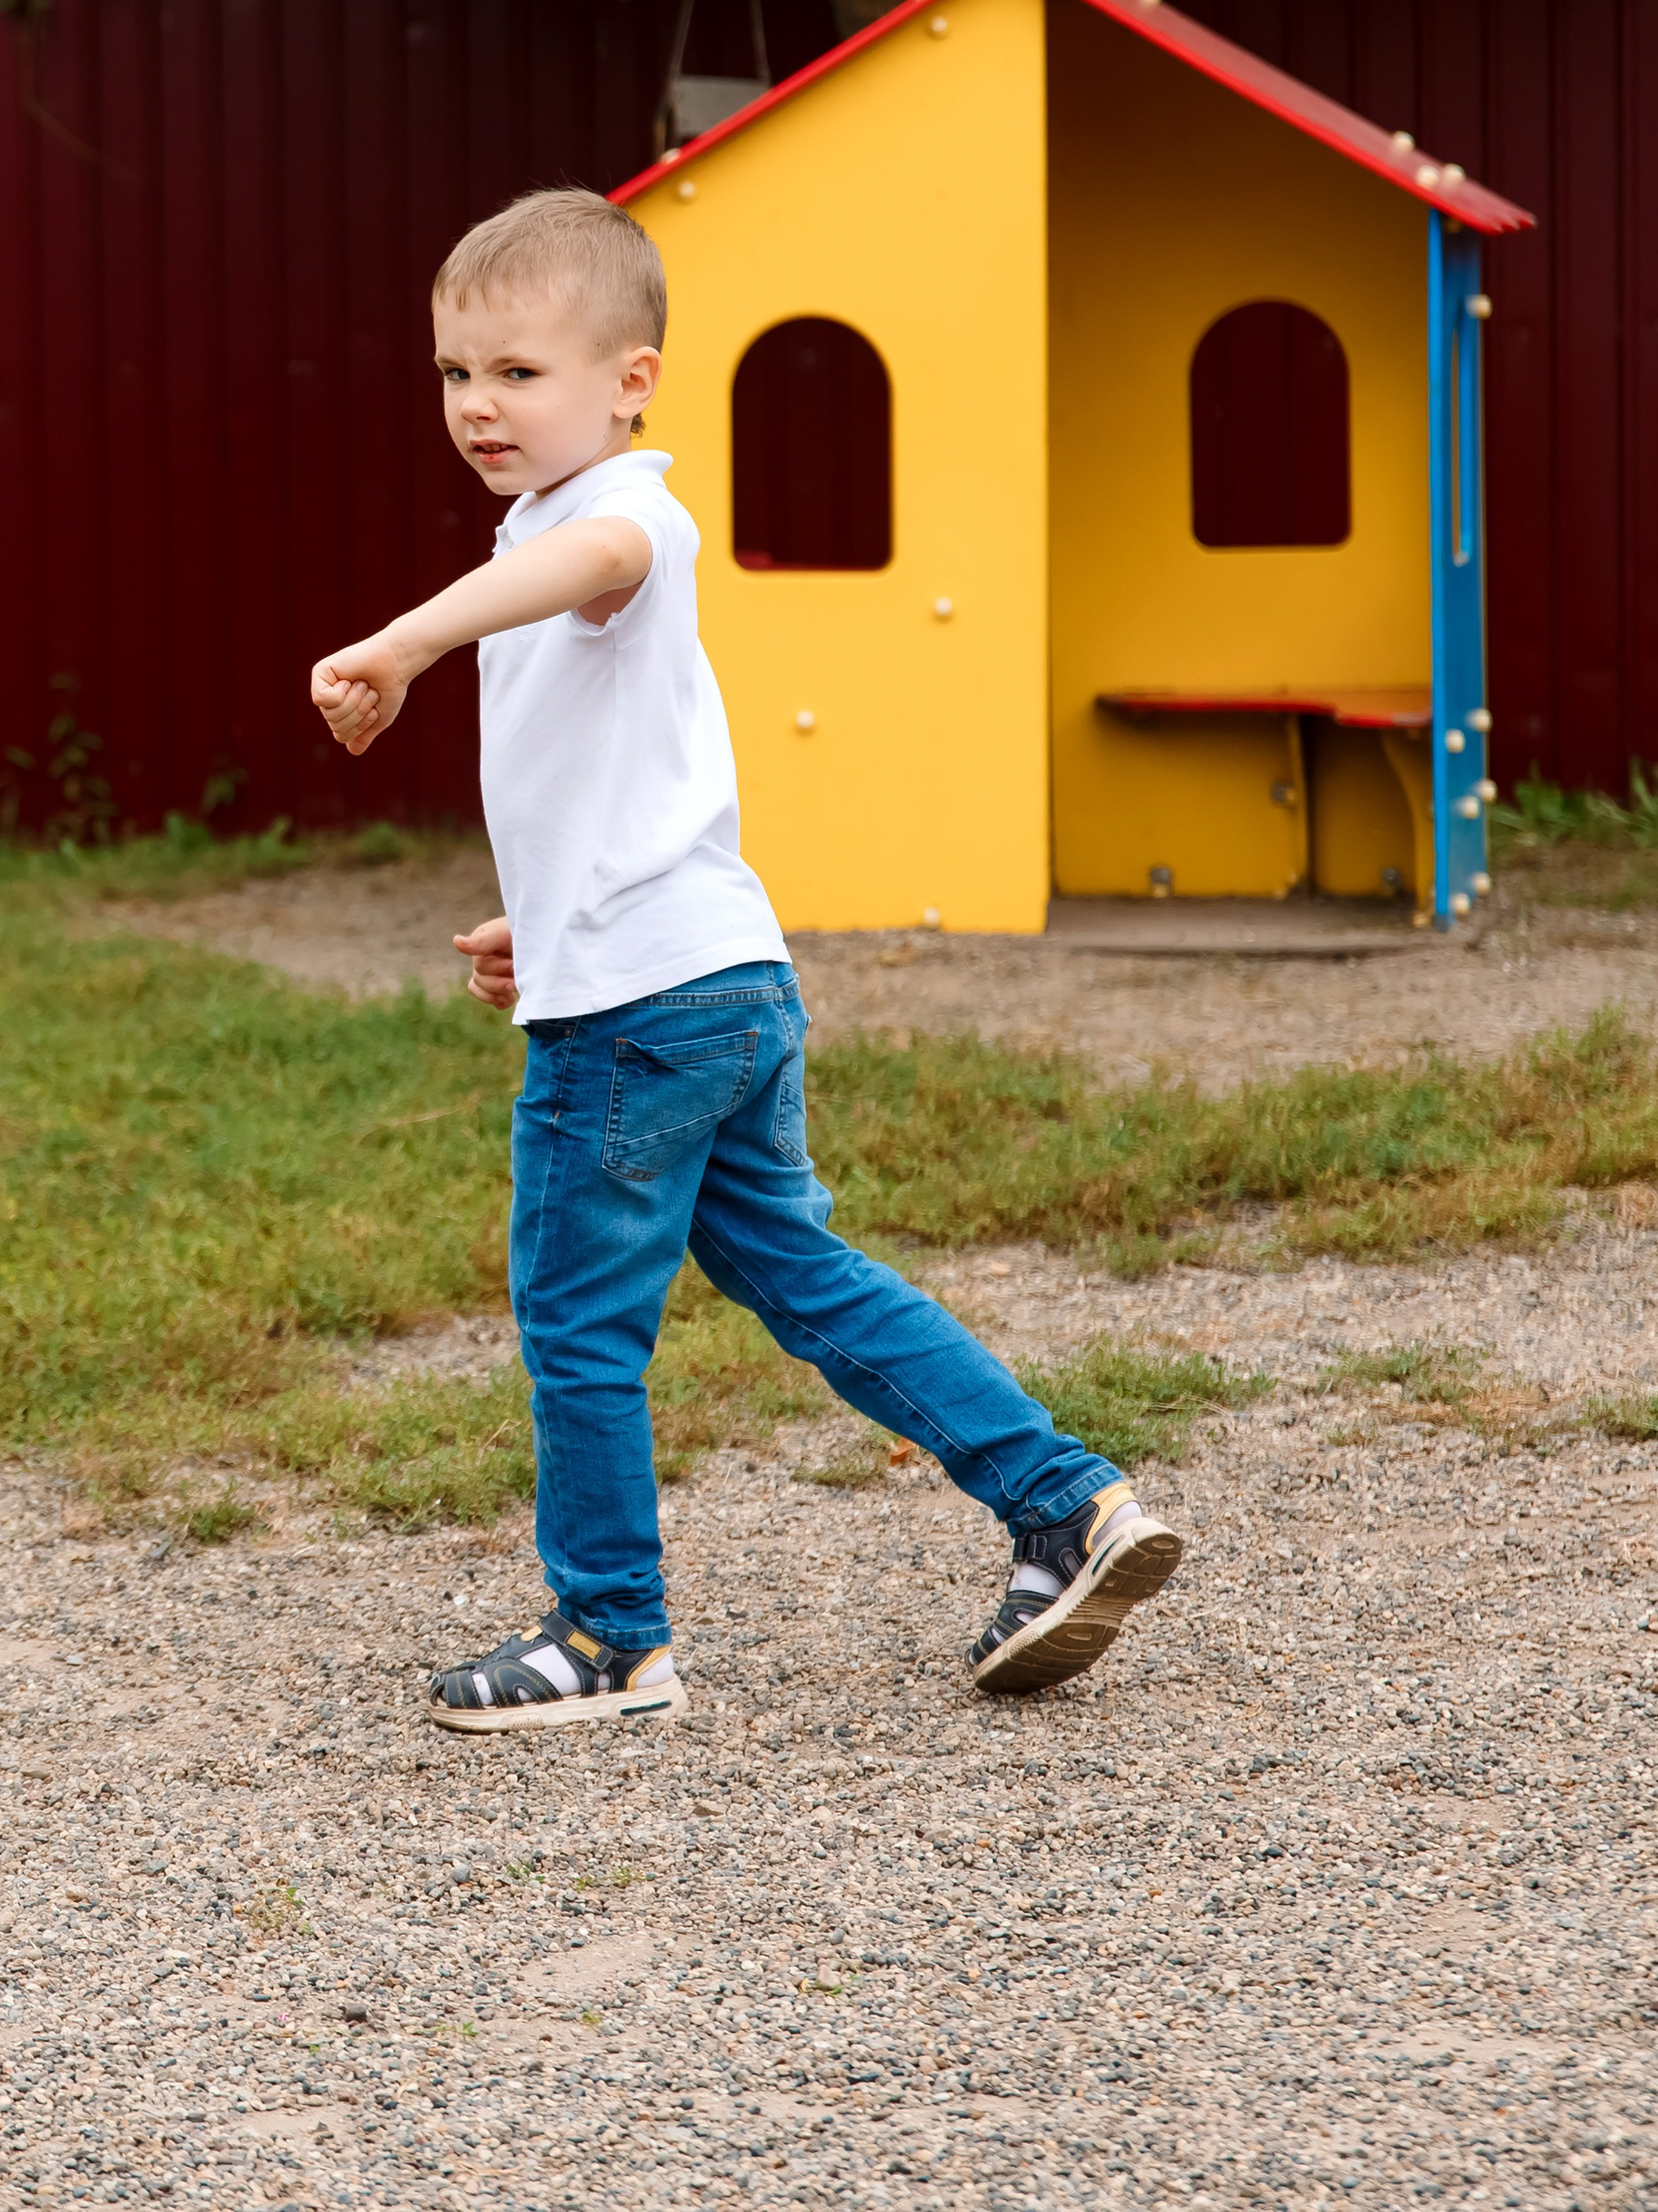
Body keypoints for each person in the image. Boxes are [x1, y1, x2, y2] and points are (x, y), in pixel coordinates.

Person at [309, 188, 1182, 1734]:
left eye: (519, 371)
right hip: (708, 981)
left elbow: (575, 567)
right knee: (799, 1269)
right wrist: (552, 921)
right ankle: (1066, 1503)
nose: (476, 405)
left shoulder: (630, 518)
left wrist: (404, 640)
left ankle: (607, 1636)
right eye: (454, 373)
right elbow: (615, 777)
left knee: (577, 1318)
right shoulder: (547, 536)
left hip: (644, 1019)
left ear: (630, 381)